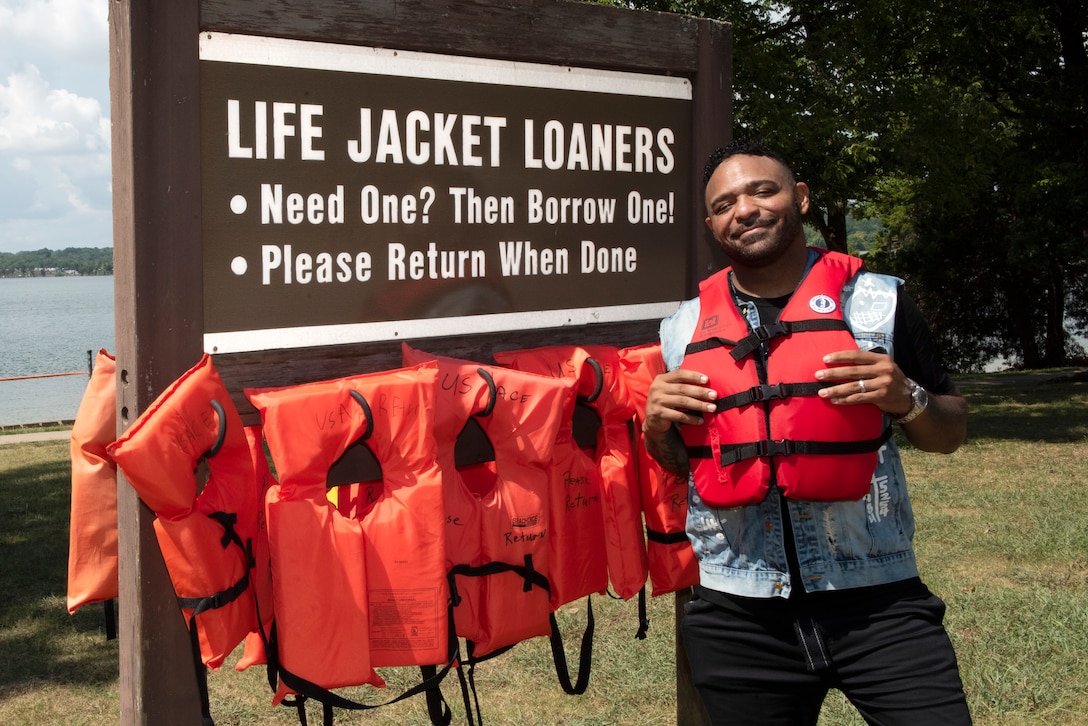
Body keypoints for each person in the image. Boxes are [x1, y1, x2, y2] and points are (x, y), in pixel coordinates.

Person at [642, 139, 972, 725]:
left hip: (879, 599)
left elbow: (948, 433)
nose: (744, 209)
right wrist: (656, 425)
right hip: (738, 611)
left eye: (762, 191)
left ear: (799, 197)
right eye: (724, 204)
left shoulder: (879, 304)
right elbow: (678, 462)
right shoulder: (683, 328)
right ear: (711, 224)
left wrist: (907, 398)